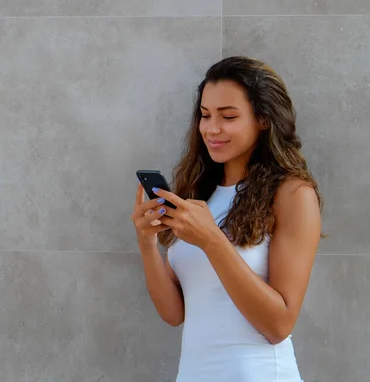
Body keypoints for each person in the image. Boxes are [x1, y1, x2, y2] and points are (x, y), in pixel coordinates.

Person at [131, 56, 322, 381]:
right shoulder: (200, 195)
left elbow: (279, 325)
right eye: (205, 115)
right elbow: (175, 313)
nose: (211, 128)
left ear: (263, 119)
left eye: (228, 116)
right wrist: (148, 243)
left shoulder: (292, 194)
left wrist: (211, 240)